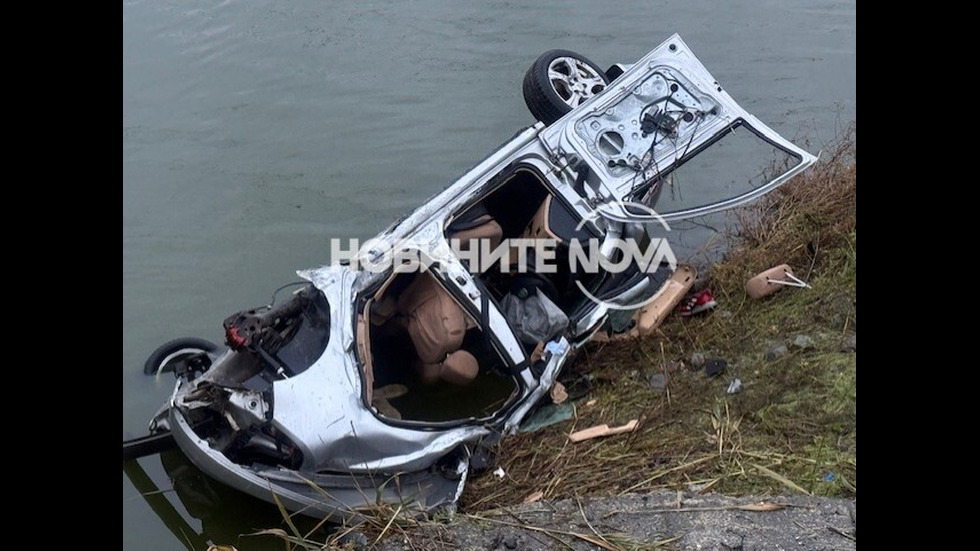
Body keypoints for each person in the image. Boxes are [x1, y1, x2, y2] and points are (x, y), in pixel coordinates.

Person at [396, 273, 479, 385]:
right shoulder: (430, 353)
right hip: (415, 287)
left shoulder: (458, 336)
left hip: (438, 276)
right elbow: (410, 325)